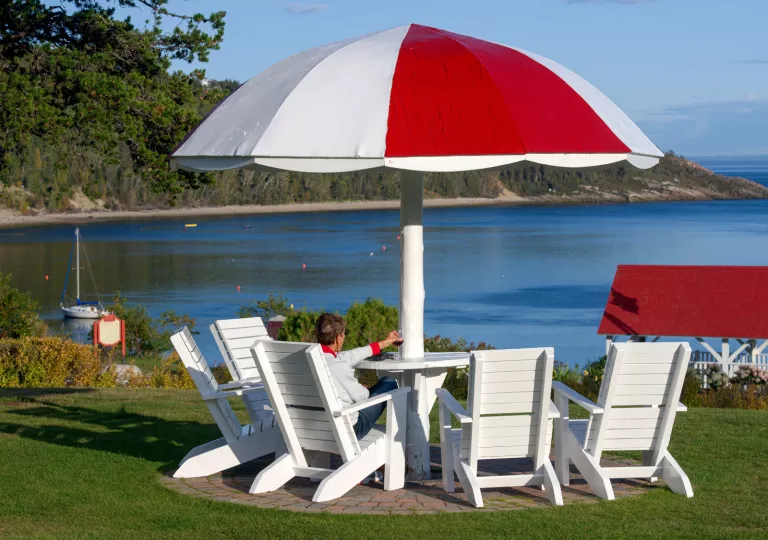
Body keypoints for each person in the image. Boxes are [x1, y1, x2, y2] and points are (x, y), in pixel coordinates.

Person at [315, 313, 402, 440]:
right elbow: (363, 396)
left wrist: (384, 343)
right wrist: (360, 387)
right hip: (348, 429)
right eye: (344, 334)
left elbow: (351, 355)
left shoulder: (312, 359)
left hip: (314, 428)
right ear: (338, 337)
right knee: (389, 383)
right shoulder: (338, 367)